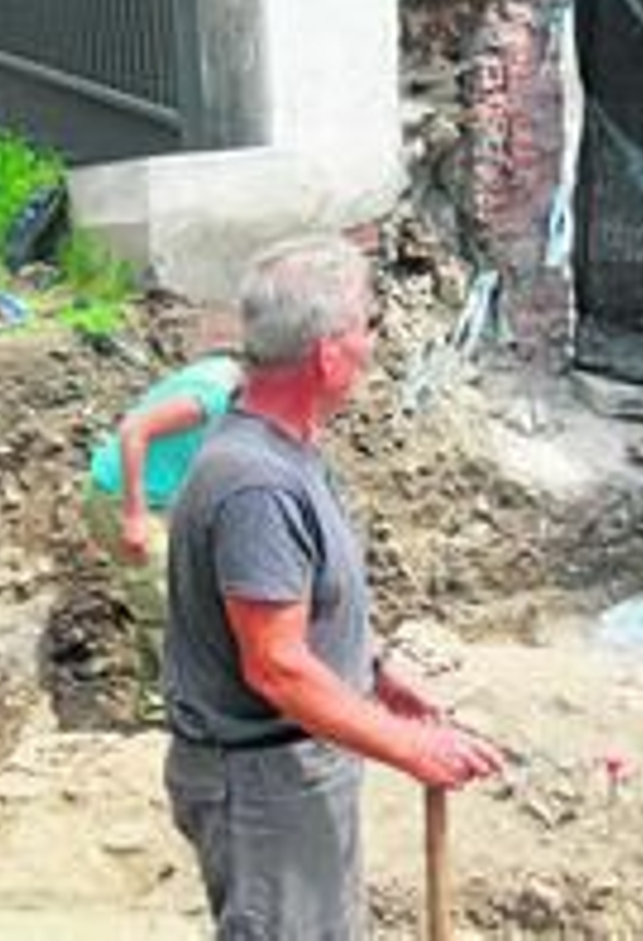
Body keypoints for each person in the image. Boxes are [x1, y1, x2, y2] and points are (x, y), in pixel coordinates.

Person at [162, 236, 504, 937]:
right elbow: (276, 666)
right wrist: (411, 748)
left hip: (294, 770)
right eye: (367, 327)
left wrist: (372, 671)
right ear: (326, 353)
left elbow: (305, 610)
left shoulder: (287, 452)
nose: (374, 347)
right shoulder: (257, 485)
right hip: (263, 789)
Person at [83, 327, 243, 717]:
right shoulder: (211, 396)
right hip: (120, 497)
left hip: (155, 499)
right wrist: (134, 516)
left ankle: (155, 703)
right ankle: (184, 708)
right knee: (168, 607)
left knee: (159, 602)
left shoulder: (228, 375)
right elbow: (134, 430)